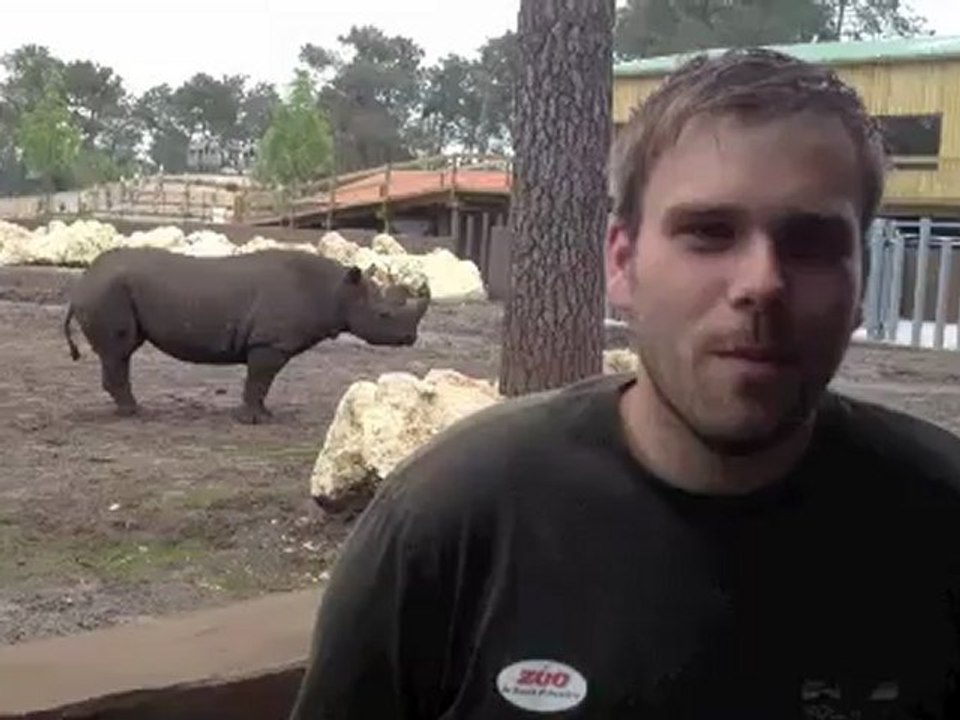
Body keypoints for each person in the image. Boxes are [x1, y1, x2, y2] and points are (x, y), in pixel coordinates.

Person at [288, 47, 960, 720]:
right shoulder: (450, 523)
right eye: (709, 233)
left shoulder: (941, 519)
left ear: (862, 280)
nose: (761, 283)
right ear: (622, 261)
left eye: (811, 244)